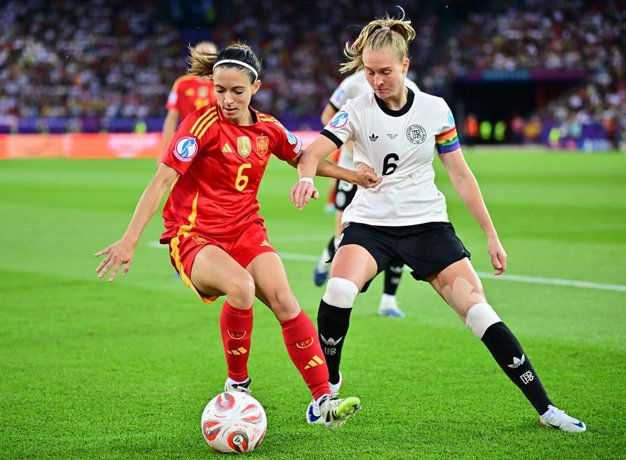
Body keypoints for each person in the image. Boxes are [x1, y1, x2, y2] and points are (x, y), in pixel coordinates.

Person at [290, 15, 586, 432]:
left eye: (385, 72)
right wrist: (311, 177)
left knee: (480, 313)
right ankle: (328, 388)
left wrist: (491, 235)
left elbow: (462, 176)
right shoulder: (354, 110)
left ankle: (546, 408)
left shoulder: (435, 110)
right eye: (370, 72)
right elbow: (311, 154)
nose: (376, 80)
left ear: (406, 65)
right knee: (338, 289)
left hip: (427, 225)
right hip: (370, 225)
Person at [95, 42, 373, 429]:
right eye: (220, 90)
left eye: (237, 91)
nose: (227, 99)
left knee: (284, 299)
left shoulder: (268, 128)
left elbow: (303, 157)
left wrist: (354, 176)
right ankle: (238, 385)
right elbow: (161, 182)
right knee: (241, 287)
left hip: (245, 229)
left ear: (255, 87)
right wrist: (129, 240)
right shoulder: (199, 125)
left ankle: (323, 400)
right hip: (194, 235)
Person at [313, 68, 422, 318]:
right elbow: (327, 115)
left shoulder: (412, 88)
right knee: (344, 236)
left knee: (400, 233)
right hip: (352, 171)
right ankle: (326, 258)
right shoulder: (352, 84)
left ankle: (388, 300)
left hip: (391, 178)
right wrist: (354, 145)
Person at [156, 41, 219, 167]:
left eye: (209, 55)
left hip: (216, 144)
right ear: (194, 58)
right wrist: (164, 151)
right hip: (188, 143)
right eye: (201, 54)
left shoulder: (221, 84)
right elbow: (171, 119)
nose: (205, 58)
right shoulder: (182, 84)